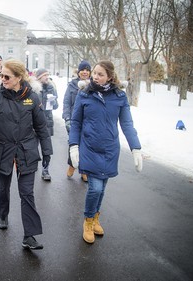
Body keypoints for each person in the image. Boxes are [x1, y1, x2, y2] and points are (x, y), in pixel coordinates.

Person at [68, 60, 143, 244]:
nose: (95, 77)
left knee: (102, 188)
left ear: (110, 76)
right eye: (94, 73)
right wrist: (73, 145)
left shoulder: (119, 96)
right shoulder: (84, 94)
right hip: (90, 147)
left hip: (110, 149)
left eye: (100, 74)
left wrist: (136, 147)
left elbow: (126, 123)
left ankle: (95, 218)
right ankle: (88, 221)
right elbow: (76, 122)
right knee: (95, 187)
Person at [0, 59, 53, 250]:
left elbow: (41, 127)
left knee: (27, 193)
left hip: (26, 151)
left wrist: (46, 150)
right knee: (3, 188)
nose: (2, 79)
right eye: (1, 75)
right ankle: (3, 214)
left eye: (7, 76)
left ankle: (29, 235)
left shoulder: (33, 98)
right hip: (2, 151)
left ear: (19, 77)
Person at [62, 60, 91, 182]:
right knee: (74, 143)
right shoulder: (72, 85)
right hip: (74, 120)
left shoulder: (93, 85)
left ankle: (84, 170)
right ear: (78, 72)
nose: (84, 72)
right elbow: (67, 102)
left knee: (86, 146)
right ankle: (72, 165)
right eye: (82, 70)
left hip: (89, 121)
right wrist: (67, 118)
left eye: (87, 70)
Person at [35, 68, 58, 181]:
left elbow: (56, 106)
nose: (47, 78)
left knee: (46, 148)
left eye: (48, 75)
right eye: (45, 75)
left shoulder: (51, 88)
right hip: (34, 123)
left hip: (47, 122)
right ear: (39, 77)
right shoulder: (34, 89)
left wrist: (53, 102)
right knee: (33, 147)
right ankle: (32, 166)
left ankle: (45, 170)